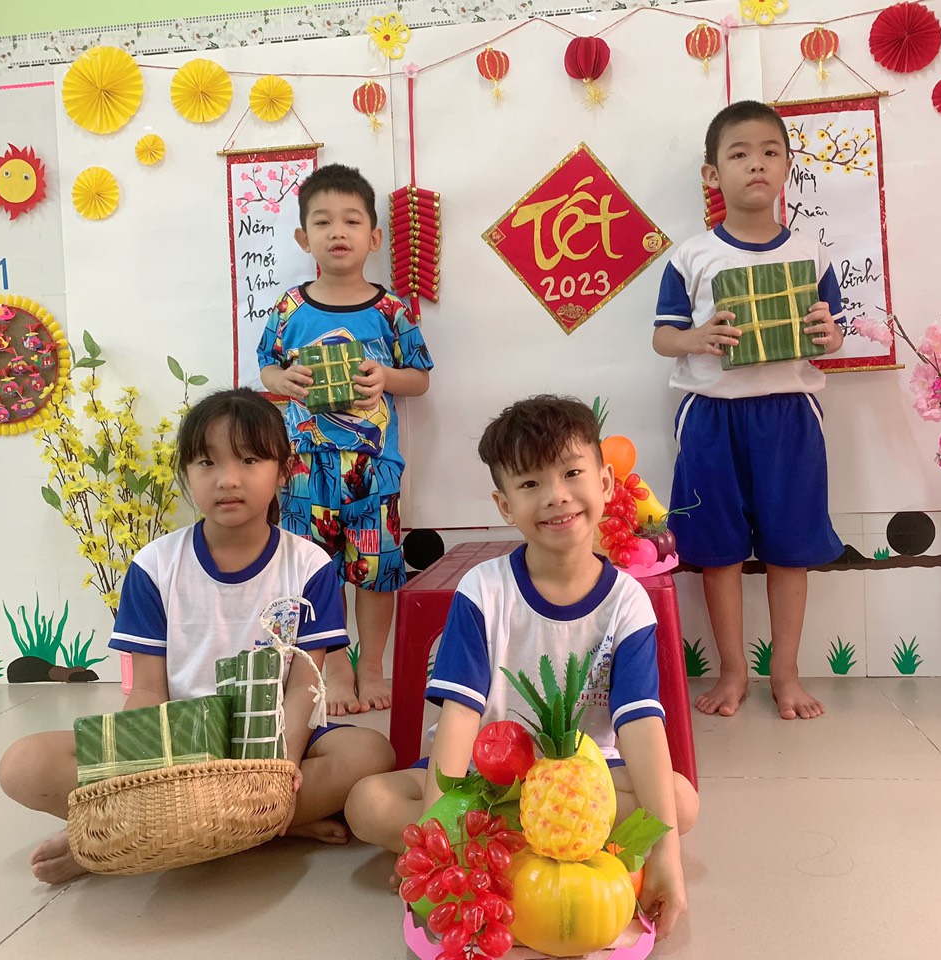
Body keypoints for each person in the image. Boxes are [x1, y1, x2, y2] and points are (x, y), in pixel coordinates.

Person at [0, 388, 395, 884]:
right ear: (186, 472)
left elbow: (304, 686)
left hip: (269, 742)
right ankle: (263, 827)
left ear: (284, 470)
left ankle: (128, 838)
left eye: (249, 459)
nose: (228, 479)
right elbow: (148, 690)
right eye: (207, 462)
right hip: (180, 742)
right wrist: (144, 775)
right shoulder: (155, 565)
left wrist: (278, 770)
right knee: (24, 764)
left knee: (369, 754)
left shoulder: (308, 564)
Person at [345, 395, 698, 939]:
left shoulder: (628, 602)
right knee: (367, 803)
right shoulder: (483, 590)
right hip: (487, 784)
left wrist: (668, 859)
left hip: (583, 785)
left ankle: (503, 856)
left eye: (572, 473)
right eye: (530, 483)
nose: (556, 495)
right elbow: (459, 722)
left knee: (681, 802)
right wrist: (438, 847)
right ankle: (541, 858)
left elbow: (641, 726)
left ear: (606, 482)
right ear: (505, 504)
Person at [652, 100, 846, 721]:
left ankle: (785, 674)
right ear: (713, 174)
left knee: (792, 548)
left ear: (787, 166)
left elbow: (833, 331)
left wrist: (831, 336)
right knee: (718, 550)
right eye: (739, 154)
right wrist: (697, 337)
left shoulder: (812, 254)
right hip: (712, 417)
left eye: (769, 152)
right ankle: (732, 672)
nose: (755, 164)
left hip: (790, 418)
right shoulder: (691, 256)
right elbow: (663, 337)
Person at [258, 164, 432, 716]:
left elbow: (420, 378)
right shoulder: (289, 308)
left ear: (374, 237)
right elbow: (266, 368)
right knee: (316, 570)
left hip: (373, 465)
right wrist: (283, 381)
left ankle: (372, 666)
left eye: (352, 221)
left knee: (377, 572)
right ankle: (334, 669)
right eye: (323, 221)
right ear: (302, 237)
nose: (338, 232)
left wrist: (386, 378)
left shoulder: (390, 310)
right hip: (304, 466)